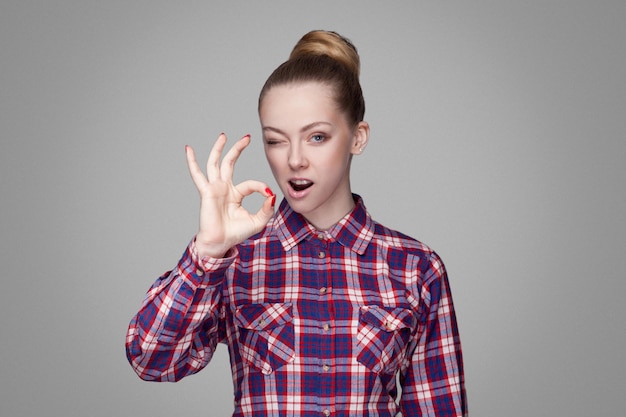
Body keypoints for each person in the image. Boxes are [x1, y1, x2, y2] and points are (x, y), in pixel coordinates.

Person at [126, 30, 467, 417]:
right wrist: (206, 251)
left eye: (317, 137)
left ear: (358, 137)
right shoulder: (236, 260)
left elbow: (440, 408)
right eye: (276, 141)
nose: (295, 160)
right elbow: (150, 359)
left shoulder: (416, 268)